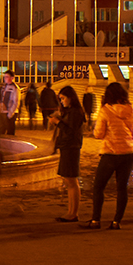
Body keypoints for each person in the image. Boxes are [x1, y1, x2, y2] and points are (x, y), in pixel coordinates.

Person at [84, 82, 133, 230]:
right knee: (122, 188)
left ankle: (96, 220)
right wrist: (129, 139)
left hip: (110, 153)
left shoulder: (105, 110)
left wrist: (97, 133)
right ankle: (116, 221)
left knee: (98, 187)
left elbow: (99, 133)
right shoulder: (131, 109)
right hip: (128, 153)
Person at [49, 84, 86, 222]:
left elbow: (71, 131)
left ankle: (73, 213)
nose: (62, 101)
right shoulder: (70, 111)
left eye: (63, 98)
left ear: (71, 98)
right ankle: (71, 211)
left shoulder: (75, 112)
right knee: (68, 179)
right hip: (67, 146)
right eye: (60, 99)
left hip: (71, 147)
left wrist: (57, 122)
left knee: (71, 180)